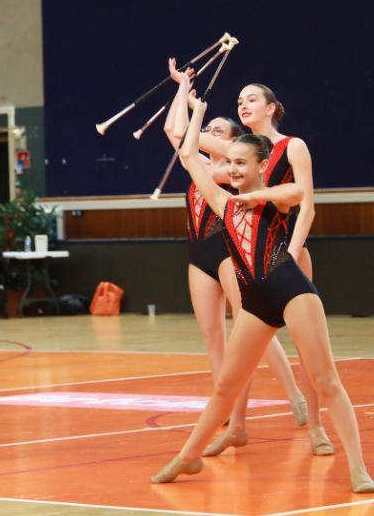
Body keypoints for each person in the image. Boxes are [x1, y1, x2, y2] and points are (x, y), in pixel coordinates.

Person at [149, 90, 374, 493]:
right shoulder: (222, 200)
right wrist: (197, 109)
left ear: (261, 165)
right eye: (229, 163)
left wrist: (251, 197)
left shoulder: (272, 201)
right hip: (255, 303)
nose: (232, 170)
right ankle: (187, 457)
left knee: (326, 380)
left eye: (240, 163)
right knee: (224, 387)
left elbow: (297, 194)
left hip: (292, 291)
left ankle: (359, 468)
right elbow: (186, 154)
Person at [163, 61, 308, 456]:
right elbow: (176, 133)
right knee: (219, 338)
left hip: (240, 250)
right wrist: (184, 89)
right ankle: (231, 418)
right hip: (200, 256)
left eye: (216, 133)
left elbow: (302, 199)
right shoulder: (204, 169)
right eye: (207, 132)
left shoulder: (233, 169)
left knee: (255, 326)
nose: (209, 135)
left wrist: (293, 250)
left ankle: (296, 395)